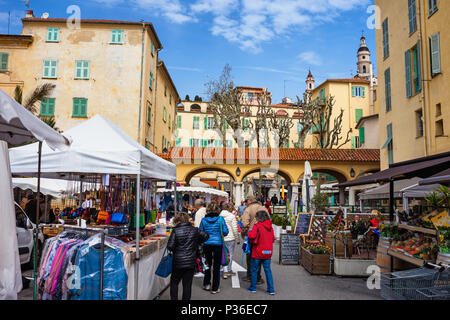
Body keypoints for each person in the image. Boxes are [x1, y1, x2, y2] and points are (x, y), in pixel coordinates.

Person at [168, 213, 209, 300]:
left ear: (178, 221)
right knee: (187, 284)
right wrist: (197, 241)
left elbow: (170, 246)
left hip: (178, 262)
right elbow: (206, 236)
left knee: (174, 283)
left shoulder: (175, 231)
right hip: (191, 261)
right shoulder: (194, 230)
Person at [199, 202, 229, 294]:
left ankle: (207, 284)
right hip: (218, 245)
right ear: (217, 210)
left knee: (207, 265)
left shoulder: (203, 220)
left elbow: (200, 232)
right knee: (216, 266)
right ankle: (215, 288)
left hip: (207, 244)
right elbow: (225, 231)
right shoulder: (220, 219)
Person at [241, 196, 268, 284]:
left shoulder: (248, 209)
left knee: (250, 256)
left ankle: (250, 276)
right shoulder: (263, 208)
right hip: (262, 235)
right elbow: (269, 221)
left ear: (250, 201)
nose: (246, 203)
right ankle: (258, 277)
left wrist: (246, 230)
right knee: (259, 255)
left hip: (252, 235)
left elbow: (245, 223)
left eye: (246, 201)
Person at [247, 210, 275, 295]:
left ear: (258, 218)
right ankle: (271, 290)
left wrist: (249, 233)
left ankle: (253, 288)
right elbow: (273, 239)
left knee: (254, 270)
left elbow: (252, 235)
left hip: (258, 251)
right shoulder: (270, 227)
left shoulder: (257, 226)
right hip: (267, 252)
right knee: (268, 270)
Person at [220, 203, 240, 279]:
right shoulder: (231, 216)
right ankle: (228, 270)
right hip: (230, 238)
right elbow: (235, 229)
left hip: (222, 238)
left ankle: (225, 271)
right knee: (230, 254)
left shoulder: (220, 216)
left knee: (224, 254)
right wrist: (237, 239)